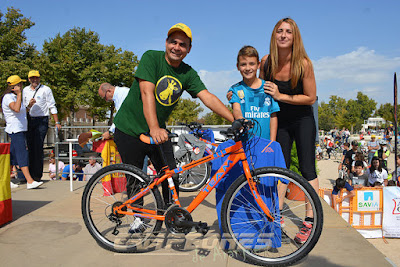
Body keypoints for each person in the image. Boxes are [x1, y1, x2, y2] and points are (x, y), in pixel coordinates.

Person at [113, 23, 234, 213]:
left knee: (171, 175)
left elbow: (207, 97)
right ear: (166, 42)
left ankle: (171, 214)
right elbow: (147, 93)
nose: (176, 47)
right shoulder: (151, 57)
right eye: (173, 42)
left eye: (182, 44)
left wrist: (234, 119)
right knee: (136, 178)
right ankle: (138, 218)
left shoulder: (187, 73)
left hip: (157, 130)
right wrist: (153, 127)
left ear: (189, 49)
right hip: (129, 128)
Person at [260, 17, 318, 244]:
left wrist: (281, 96)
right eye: (279, 31)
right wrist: (236, 93)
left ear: (295, 37)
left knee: (306, 168)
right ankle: (277, 216)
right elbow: (258, 88)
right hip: (280, 120)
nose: (284, 35)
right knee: (279, 168)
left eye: (289, 32)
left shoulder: (304, 63)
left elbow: (310, 97)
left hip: (303, 118)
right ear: (274, 35)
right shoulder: (267, 62)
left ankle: (309, 220)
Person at [228, 45, 280, 140]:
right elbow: (236, 109)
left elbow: (273, 116)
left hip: (265, 143)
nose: (248, 68)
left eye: (252, 64)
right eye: (243, 64)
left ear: (258, 65)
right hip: (244, 143)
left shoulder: (268, 88)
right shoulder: (235, 89)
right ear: (238, 66)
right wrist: (242, 121)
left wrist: (272, 142)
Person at [2, 75, 43, 189]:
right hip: (15, 130)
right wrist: (19, 94)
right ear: (14, 86)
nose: (21, 86)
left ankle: (6, 179)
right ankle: (30, 181)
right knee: (22, 154)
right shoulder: (8, 97)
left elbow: (21, 110)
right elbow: (15, 108)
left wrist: (29, 106)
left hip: (20, 129)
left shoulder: (15, 97)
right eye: (19, 84)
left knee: (12, 156)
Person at [23, 70, 61, 182]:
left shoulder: (46, 89)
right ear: (29, 79)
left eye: (36, 78)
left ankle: (37, 175)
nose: (34, 80)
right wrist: (29, 105)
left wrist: (57, 122)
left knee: (38, 146)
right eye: (32, 78)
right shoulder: (25, 90)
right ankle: (28, 176)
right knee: (29, 146)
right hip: (29, 119)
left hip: (41, 120)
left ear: (39, 79)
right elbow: (23, 107)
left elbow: (52, 105)